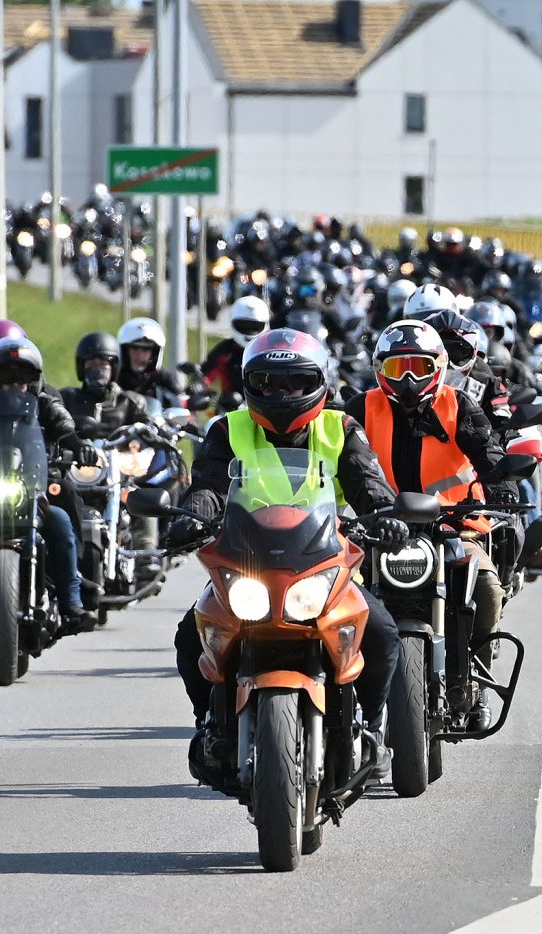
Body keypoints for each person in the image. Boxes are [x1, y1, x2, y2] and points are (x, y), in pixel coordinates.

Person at [166, 329, 409, 784]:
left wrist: (385, 517)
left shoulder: (340, 428)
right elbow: (207, 484)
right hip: (246, 566)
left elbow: (368, 484)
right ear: (248, 385)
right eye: (268, 383)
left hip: (321, 563)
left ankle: (370, 732)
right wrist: (191, 517)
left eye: (295, 383)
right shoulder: (227, 429)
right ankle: (213, 726)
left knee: (380, 632)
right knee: (189, 636)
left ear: (319, 383)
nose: (282, 394)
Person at [345, 320, 523, 732]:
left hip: (452, 526)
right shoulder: (358, 409)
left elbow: (489, 451)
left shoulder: (458, 404)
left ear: (439, 367)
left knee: (486, 589)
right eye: (397, 368)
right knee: (333, 596)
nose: (408, 378)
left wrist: (504, 487)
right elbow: (333, 460)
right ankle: (341, 697)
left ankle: (474, 680)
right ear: (379, 369)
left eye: (419, 367)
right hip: (378, 531)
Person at [0, 337, 101, 628]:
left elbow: (64, 427)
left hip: (32, 491)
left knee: (61, 522)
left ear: (34, 381)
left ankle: (71, 602)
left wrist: (78, 444)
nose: (15, 385)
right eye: (6, 379)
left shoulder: (44, 404)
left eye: (22, 379)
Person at [60, 331, 151, 436]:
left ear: (114, 367)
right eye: (92, 363)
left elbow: (149, 432)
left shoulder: (131, 403)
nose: (98, 370)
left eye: (103, 363)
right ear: (81, 367)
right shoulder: (66, 400)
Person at [199, 296, 270, 403]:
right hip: (229, 409)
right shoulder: (226, 349)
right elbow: (206, 373)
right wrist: (198, 386)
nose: (249, 330)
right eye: (243, 325)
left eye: (255, 326)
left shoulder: (272, 351)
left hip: (266, 409)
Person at [117, 317, 187, 407]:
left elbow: (182, 405)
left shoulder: (164, 379)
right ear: (125, 351)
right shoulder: (116, 377)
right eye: (134, 348)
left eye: (145, 350)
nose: (139, 355)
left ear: (154, 353)